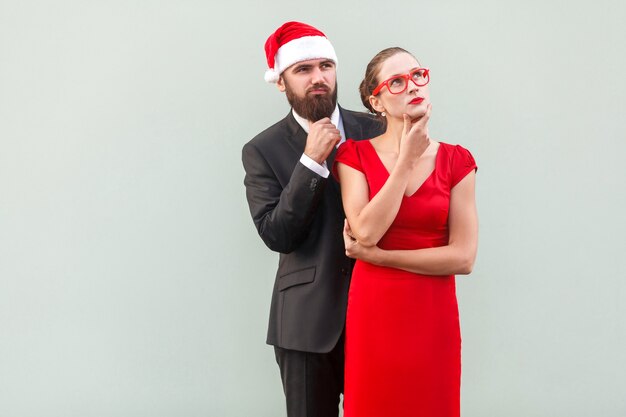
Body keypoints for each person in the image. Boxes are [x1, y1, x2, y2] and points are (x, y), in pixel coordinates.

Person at [241, 22, 383, 417]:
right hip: (305, 322)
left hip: (379, 308)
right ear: (281, 82)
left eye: (325, 66)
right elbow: (277, 234)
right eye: (303, 70)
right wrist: (311, 161)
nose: (318, 78)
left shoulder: (376, 129)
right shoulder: (261, 149)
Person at [333, 47, 478, 417]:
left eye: (417, 75)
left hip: (433, 316)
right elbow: (365, 231)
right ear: (375, 101)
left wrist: (382, 257)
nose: (412, 86)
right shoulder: (354, 155)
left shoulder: (457, 161)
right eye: (396, 82)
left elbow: (463, 257)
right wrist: (407, 159)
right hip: (375, 313)